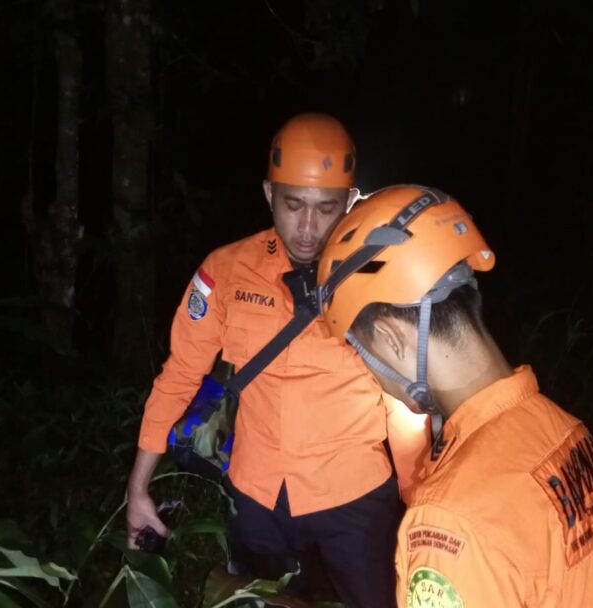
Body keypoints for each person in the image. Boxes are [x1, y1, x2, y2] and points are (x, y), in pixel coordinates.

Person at [125, 114, 428, 607]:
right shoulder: (227, 271)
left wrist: (421, 501)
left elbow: (406, 402)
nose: (308, 228)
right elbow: (179, 376)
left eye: (326, 209)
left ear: (350, 202)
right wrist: (137, 488)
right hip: (255, 496)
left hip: (355, 498)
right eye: (293, 205)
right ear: (268, 194)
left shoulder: (383, 278)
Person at [317, 185, 593, 607]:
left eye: (361, 354)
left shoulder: (449, 525)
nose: (372, 376)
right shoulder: (568, 433)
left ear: (391, 339)